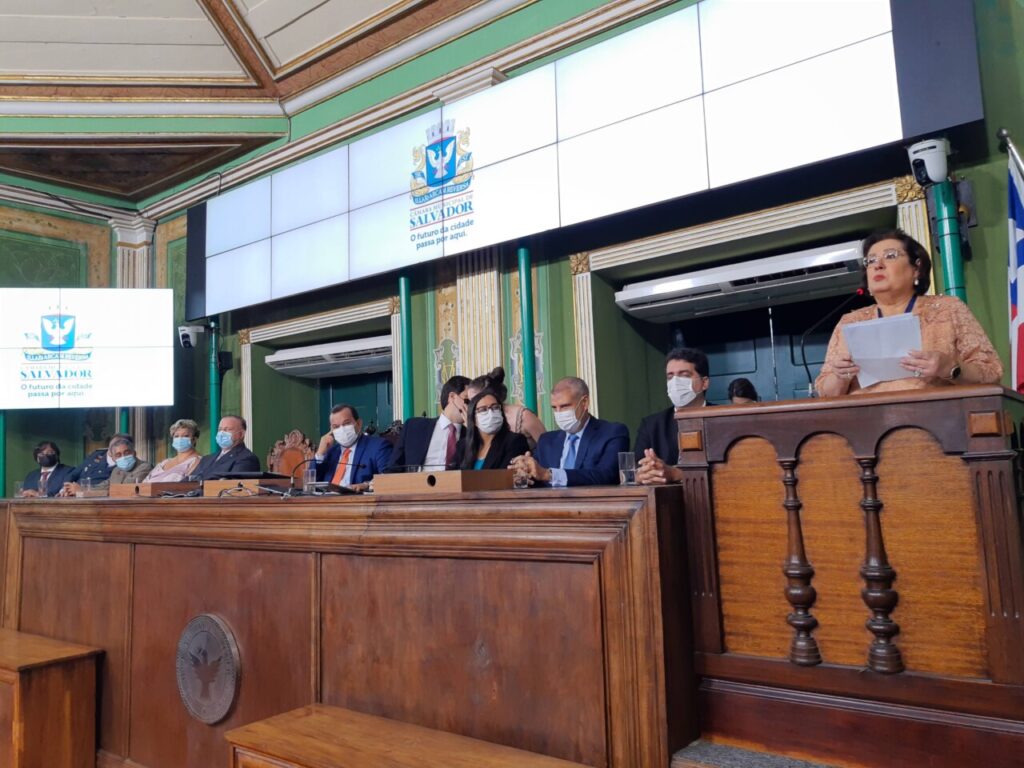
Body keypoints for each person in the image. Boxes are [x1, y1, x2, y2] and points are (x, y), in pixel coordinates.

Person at [816, 229, 1003, 396]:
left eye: (890, 256)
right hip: (865, 418)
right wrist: (840, 376)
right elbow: (825, 392)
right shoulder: (850, 322)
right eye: (870, 260)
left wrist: (949, 367)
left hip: (936, 417)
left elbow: (992, 372)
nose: (877, 265)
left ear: (917, 268)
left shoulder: (948, 309)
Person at [509, 377, 628, 486]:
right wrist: (524, 473)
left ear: (584, 402)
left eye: (565, 406)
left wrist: (549, 474)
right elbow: (536, 478)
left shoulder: (612, 433)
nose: (559, 413)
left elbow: (606, 476)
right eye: (554, 408)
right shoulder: (546, 441)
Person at [635, 347, 711, 486]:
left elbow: (731, 470)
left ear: (704, 383)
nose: (675, 382)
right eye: (670, 376)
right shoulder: (651, 425)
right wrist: (645, 473)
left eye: (684, 375)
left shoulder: (726, 419)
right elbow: (637, 470)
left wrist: (676, 473)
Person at [388, 375, 470, 471]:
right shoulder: (414, 427)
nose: (471, 406)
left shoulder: (472, 436)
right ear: (452, 397)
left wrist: (472, 429)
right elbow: (392, 468)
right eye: (468, 400)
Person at [315, 404, 393, 490]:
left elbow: (388, 478)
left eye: (346, 423)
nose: (342, 429)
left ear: (359, 423)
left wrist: (366, 485)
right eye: (336, 427)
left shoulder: (378, 446)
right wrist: (320, 454)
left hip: (357, 497)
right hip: (327, 497)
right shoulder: (330, 451)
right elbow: (312, 483)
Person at [466, 367, 546, 448]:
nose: (472, 405)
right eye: (469, 401)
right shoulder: (478, 420)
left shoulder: (523, 416)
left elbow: (548, 447)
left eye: (475, 400)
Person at [457, 387, 529, 470]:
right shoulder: (463, 446)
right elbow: (452, 474)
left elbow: (506, 474)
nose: (490, 413)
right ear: (473, 418)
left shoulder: (515, 441)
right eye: (483, 409)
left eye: (495, 407)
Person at [62, 435, 153, 495]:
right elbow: (103, 486)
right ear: (113, 459)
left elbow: (121, 490)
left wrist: (83, 491)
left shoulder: (144, 467)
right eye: (118, 455)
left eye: (127, 452)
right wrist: (75, 489)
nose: (123, 457)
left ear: (134, 453)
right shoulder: (117, 470)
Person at [190, 415, 261, 479]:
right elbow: (189, 481)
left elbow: (234, 486)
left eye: (227, 429)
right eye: (220, 429)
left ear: (241, 434)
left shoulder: (247, 458)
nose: (222, 433)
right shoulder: (207, 459)